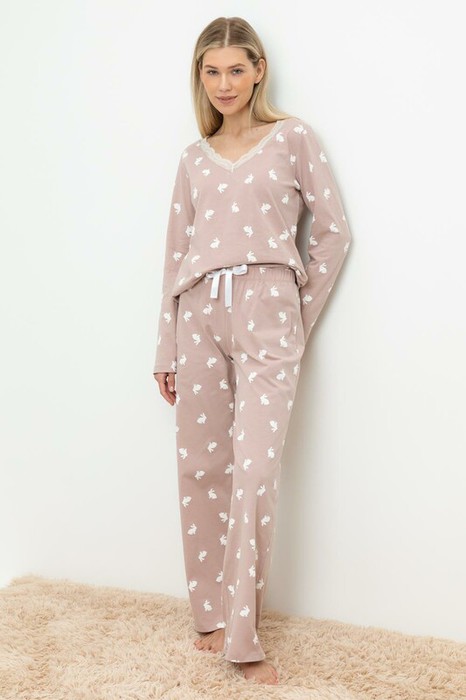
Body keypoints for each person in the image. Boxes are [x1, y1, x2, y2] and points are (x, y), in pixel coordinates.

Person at [152, 16, 352, 685]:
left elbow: (334, 232)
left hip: (268, 307)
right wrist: (165, 345)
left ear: (259, 70)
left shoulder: (293, 138)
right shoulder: (194, 158)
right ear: (200, 77)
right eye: (212, 72)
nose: (225, 84)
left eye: (236, 69)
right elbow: (174, 256)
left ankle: (245, 638)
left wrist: (294, 314)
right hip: (198, 312)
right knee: (201, 468)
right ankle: (210, 615)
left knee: (255, 472)